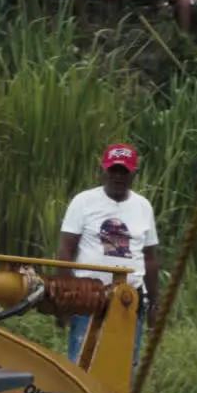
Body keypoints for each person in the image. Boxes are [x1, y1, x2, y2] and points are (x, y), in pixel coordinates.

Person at [55, 143, 161, 373]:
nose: (118, 176)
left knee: (123, 365)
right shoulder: (83, 202)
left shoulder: (143, 206)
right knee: (82, 361)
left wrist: (154, 303)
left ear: (135, 173)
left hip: (129, 299)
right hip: (89, 297)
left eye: (124, 172)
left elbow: (150, 258)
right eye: (113, 170)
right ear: (103, 170)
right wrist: (65, 296)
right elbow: (65, 251)